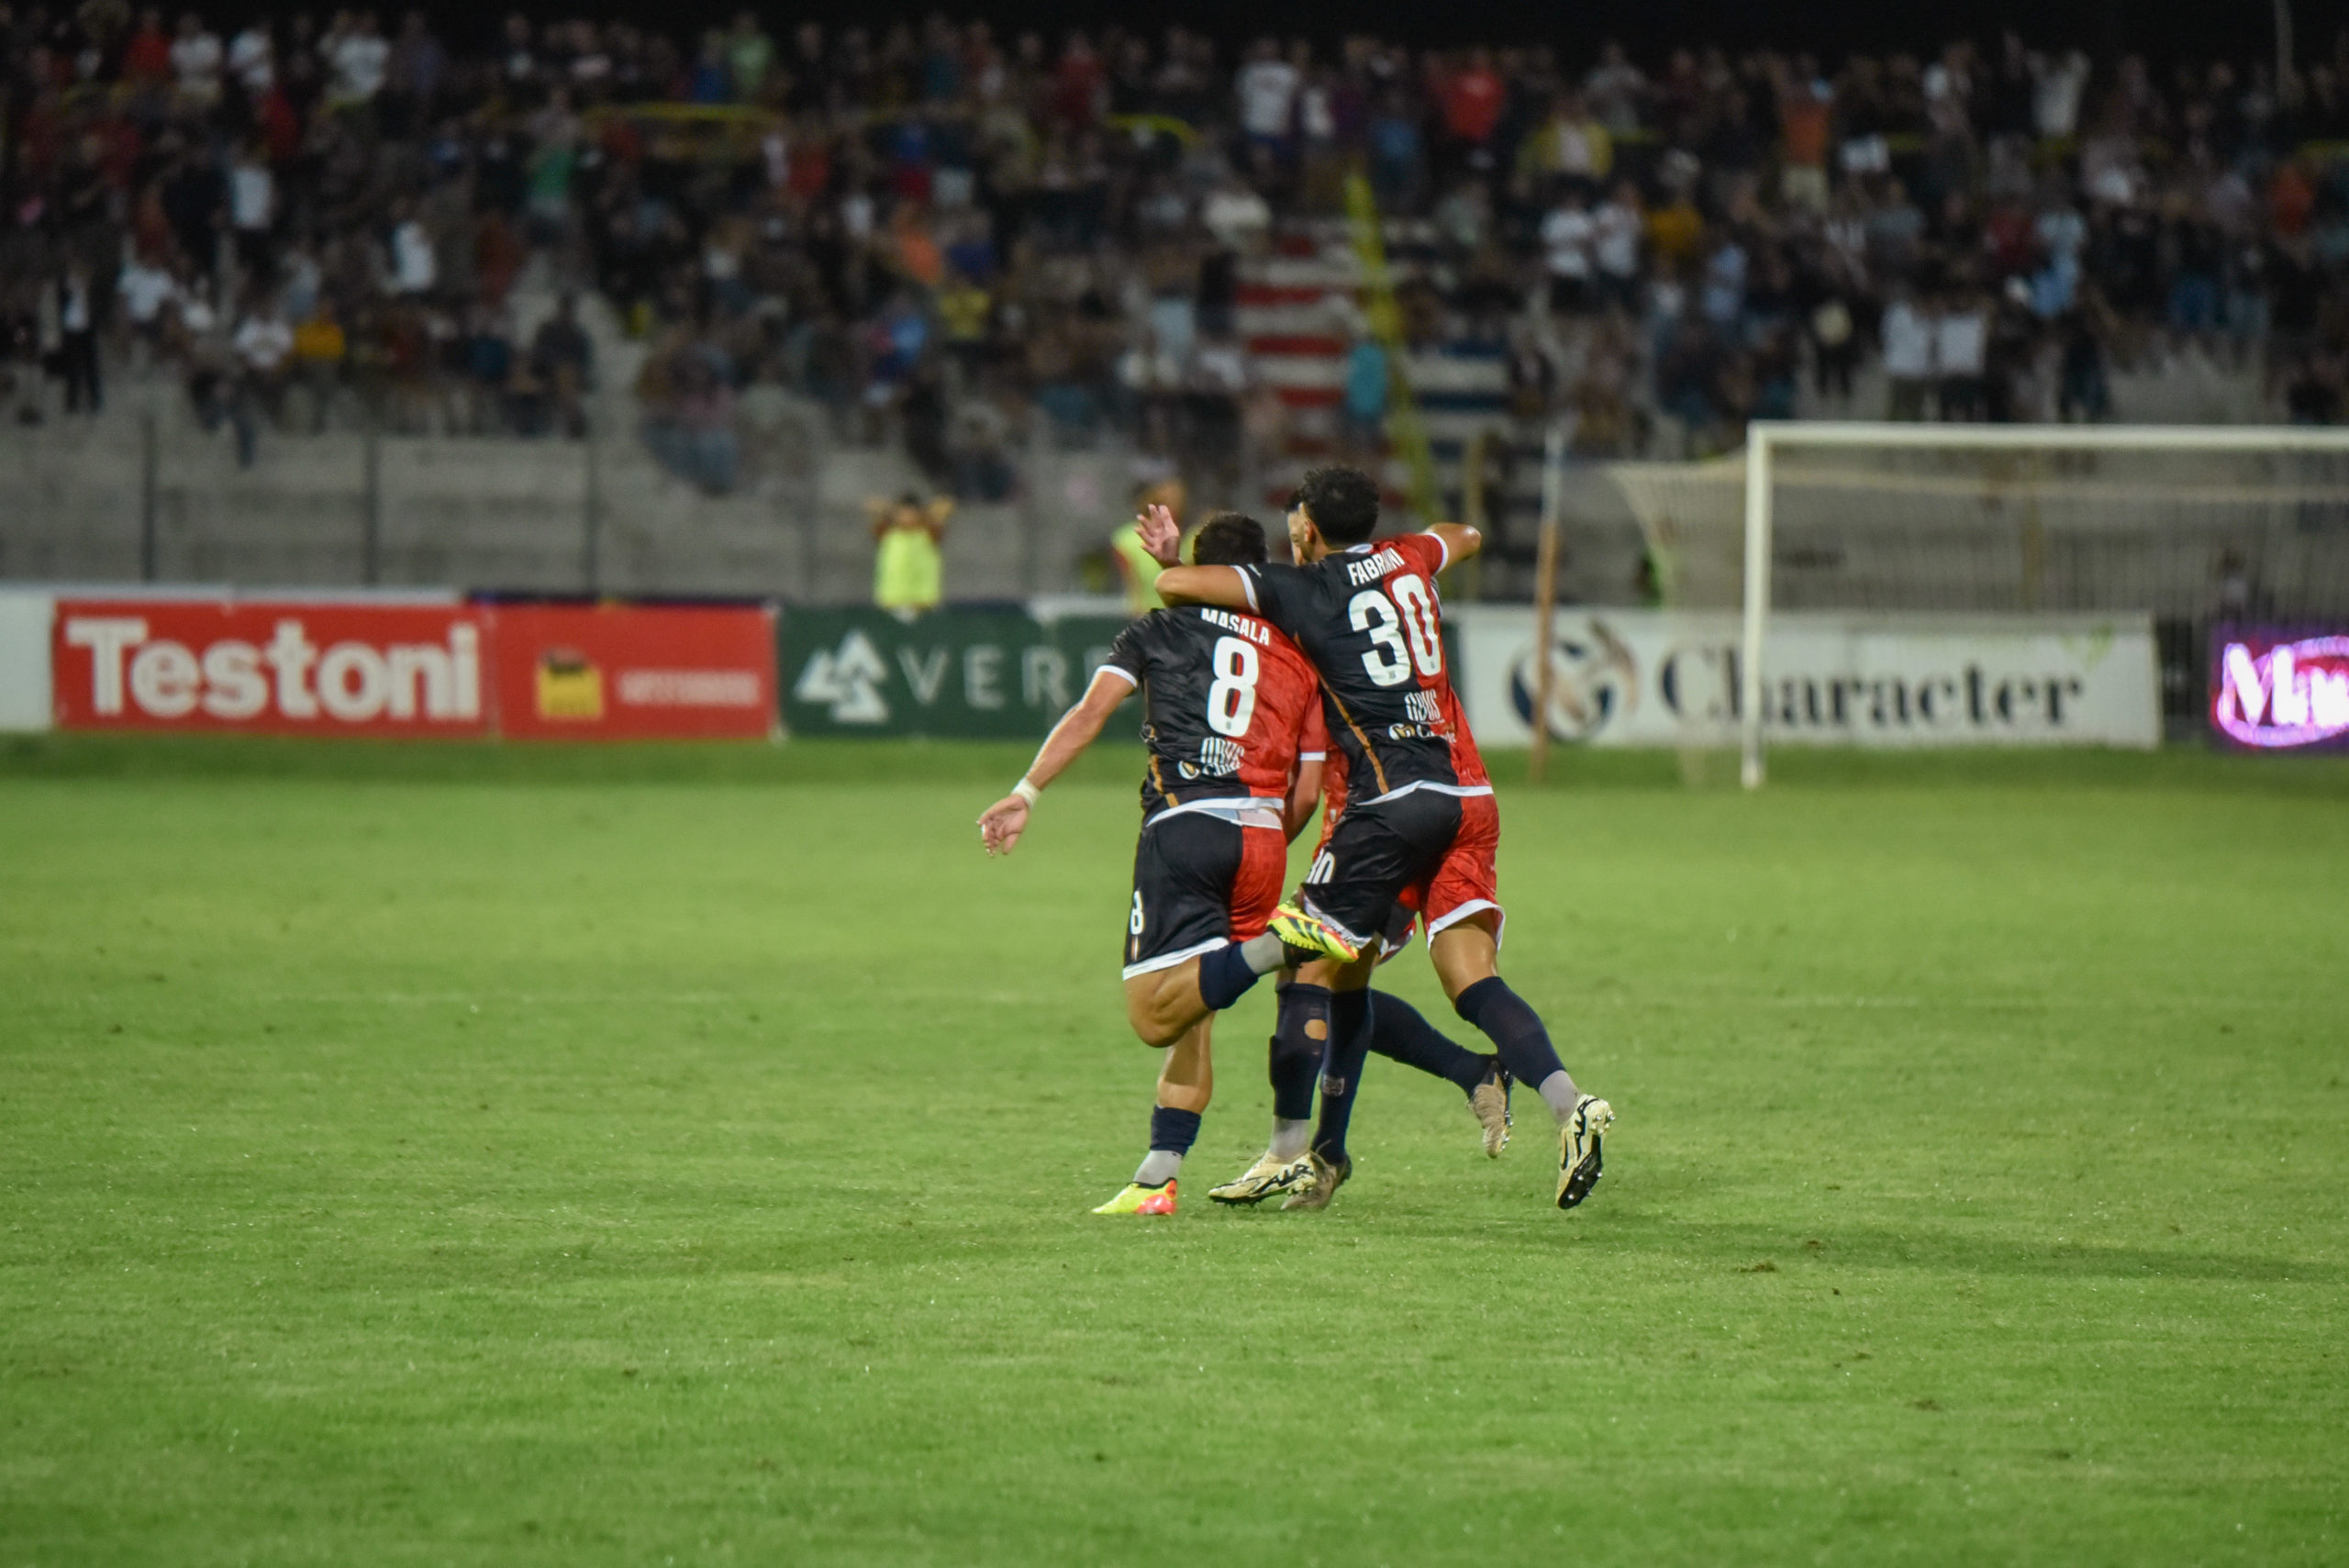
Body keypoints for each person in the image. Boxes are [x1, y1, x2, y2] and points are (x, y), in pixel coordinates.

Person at [976, 513, 1508, 1216]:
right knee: (1256, 992)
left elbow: (1088, 710)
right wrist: (1264, 845)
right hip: (1267, 834)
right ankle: (1167, 1172)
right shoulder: (1297, 649)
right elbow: (1309, 787)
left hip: (1188, 825)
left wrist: (1026, 792)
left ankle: (1280, 982)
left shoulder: (1157, 631)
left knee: (1157, 1011)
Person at [1147, 465, 1615, 1212]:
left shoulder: (1305, 594)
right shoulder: (1406, 557)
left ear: (1305, 526)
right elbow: (1463, 535)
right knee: (1450, 976)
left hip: (1385, 805)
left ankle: (1292, 1152)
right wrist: (1421, 546)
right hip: (1464, 791)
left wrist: (1177, 567)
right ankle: (1569, 1104)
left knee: (1306, 966)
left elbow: (1185, 595)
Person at [867, 493, 952, 616]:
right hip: (891, 603)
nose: (906, 517)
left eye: (910, 513)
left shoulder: (928, 533)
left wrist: (927, 514)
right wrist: (888, 510)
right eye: (902, 513)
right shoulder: (888, 534)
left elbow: (945, 507)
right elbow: (873, 508)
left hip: (923, 604)